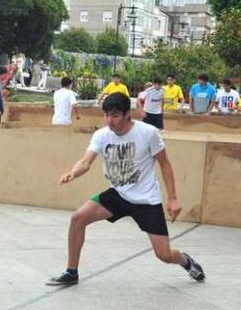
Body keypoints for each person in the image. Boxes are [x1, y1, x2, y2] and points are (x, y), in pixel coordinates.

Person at [46, 93, 205, 286]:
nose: (109, 121)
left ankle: (185, 261)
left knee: (163, 254)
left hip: (146, 200)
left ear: (127, 114)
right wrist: (73, 172)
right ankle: (71, 272)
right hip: (119, 194)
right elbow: (86, 161)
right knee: (78, 218)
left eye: (114, 115)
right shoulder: (102, 135)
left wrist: (172, 198)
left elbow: (165, 164)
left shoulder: (148, 132)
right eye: (106, 115)